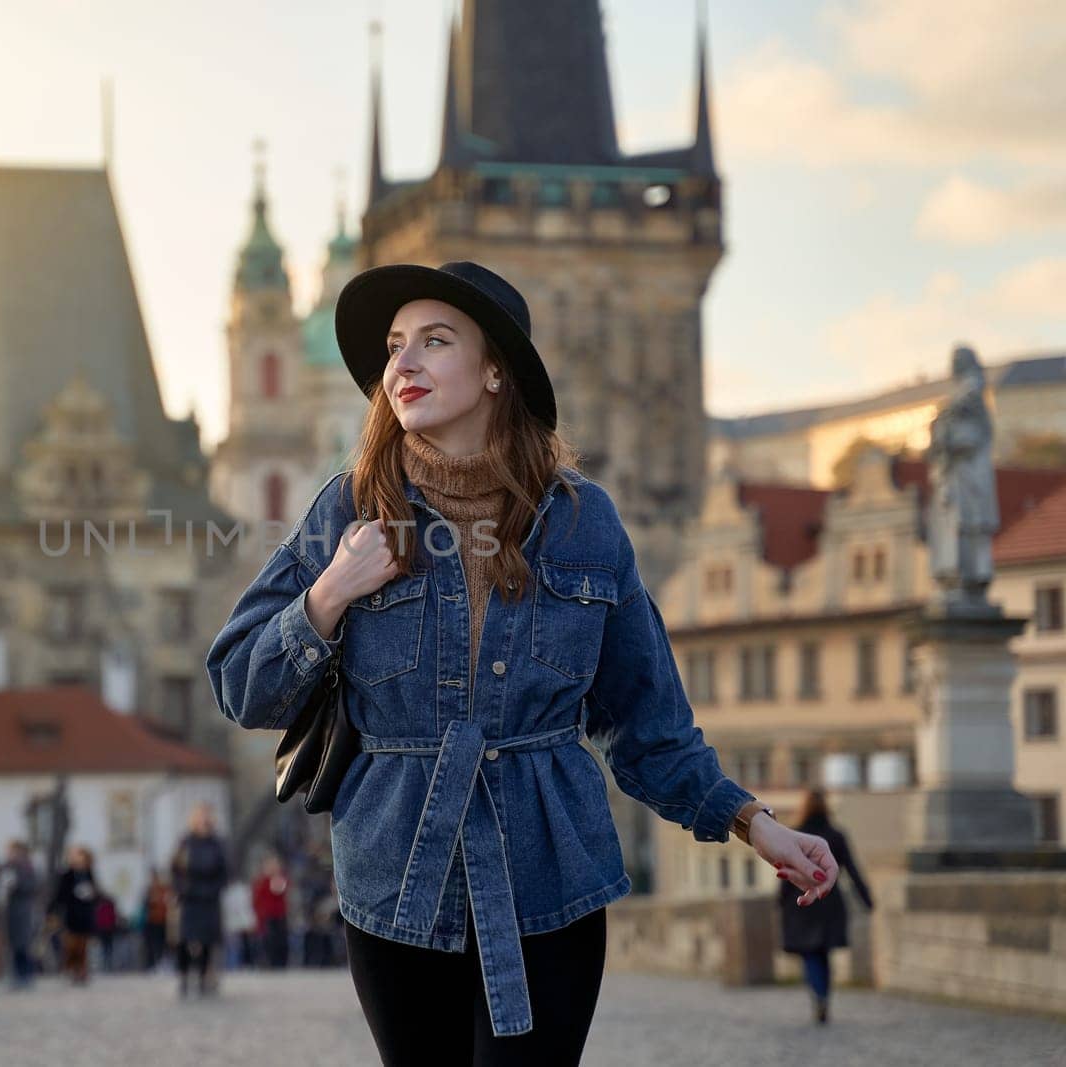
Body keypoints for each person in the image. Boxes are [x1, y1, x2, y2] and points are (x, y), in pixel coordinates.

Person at [206, 260, 842, 1066]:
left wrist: (755, 823)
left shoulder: (585, 524)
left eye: (434, 342)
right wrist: (328, 592)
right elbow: (239, 681)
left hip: (552, 881)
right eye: (396, 346)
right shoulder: (349, 507)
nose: (402, 364)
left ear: (496, 368)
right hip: (400, 882)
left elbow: (648, 724)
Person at [778, 788, 874, 1024]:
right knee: (824, 952)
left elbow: (786, 873)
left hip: (801, 901)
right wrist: (866, 898)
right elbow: (852, 869)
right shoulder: (836, 835)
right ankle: (825, 997)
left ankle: (818, 995)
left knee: (810, 953)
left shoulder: (796, 834)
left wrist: (780, 901)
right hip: (828, 899)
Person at [171, 803, 228, 997]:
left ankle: (204, 977)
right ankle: (184, 976)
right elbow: (175, 870)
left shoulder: (217, 844)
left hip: (209, 897)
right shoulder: (185, 843)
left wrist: (215, 889)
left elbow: (225, 871)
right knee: (185, 940)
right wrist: (181, 889)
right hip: (189, 897)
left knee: (207, 941)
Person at [49, 845, 101, 984]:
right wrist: (52, 911)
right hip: (71, 915)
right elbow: (59, 895)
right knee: (71, 945)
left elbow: (97, 894)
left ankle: (82, 972)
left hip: (85, 915)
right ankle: (72, 969)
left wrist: (91, 894)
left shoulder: (89, 873)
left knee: (83, 946)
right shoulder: (67, 875)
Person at [0, 840, 39, 989]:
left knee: (24, 944)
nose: (9, 854)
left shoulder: (27, 867)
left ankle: (26, 975)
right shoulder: (7, 867)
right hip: (11, 909)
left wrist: (17, 885)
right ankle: (16, 975)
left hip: (23, 909)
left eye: (11, 851)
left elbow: (32, 886)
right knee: (13, 944)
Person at [252, 854, 291, 969]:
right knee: (269, 941)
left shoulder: (281, 878)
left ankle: (281, 963)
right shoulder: (261, 881)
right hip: (267, 916)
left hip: (280, 915)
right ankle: (269, 963)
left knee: (281, 941)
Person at [139, 868, 172, 971]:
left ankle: (162, 963)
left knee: (162, 944)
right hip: (151, 921)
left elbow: (169, 903)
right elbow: (145, 904)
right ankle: (151, 965)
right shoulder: (149, 890)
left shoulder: (165, 889)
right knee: (151, 945)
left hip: (163, 921)